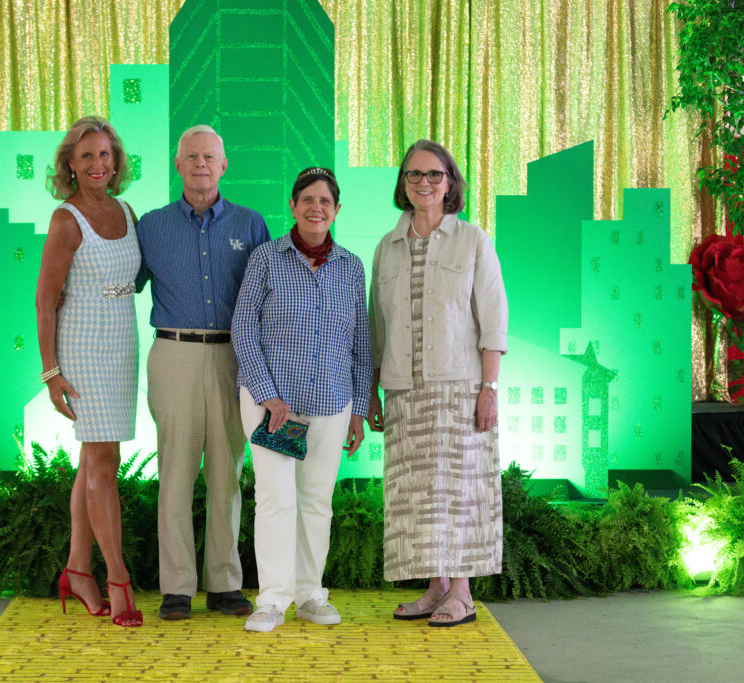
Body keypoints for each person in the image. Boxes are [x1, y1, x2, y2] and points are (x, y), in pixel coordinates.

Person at [367, 139, 508, 627]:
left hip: (459, 388)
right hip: (403, 388)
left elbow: (493, 320)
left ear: (450, 183)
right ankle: (434, 588)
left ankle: (463, 593)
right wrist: (373, 389)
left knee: (459, 490)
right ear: (402, 184)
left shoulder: (472, 240)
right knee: (418, 494)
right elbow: (375, 326)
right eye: (414, 175)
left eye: (434, 174)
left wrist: (488, 389)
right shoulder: (386, 247)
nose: (423, 183)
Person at [137, 125, 270, 620]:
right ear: (177, 165)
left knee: (226, 473)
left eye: (209, 156)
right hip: (173, 353)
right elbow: (120, 283)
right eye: (190, 156)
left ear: (224, 164)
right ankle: (176, 587)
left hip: (234, 357)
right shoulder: (150, 226)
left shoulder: (251, 225)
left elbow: (268, 300)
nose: (200, 164)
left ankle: (224, 583)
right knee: (174, 472)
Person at [232, 167, 372, 633]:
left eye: (325, 201)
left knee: (317, 500)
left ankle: (311, 593)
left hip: (331, 402)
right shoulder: (266, 259)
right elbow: (243, 328)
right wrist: (267, 393)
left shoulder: (351, 266)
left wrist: (357, 408)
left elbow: (361, 341)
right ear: (292, 206)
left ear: (336, 210)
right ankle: (271, 599)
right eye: (307, 199)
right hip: (274, 404)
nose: (316, 208)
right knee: (275, 500)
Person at [35, 115, 143, 627]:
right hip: (81, 349)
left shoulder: (127, 210)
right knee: (103, 464)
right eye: (86, 157)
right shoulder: (65, 219)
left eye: (105, 155)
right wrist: (50, 372)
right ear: (70, 167)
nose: (97, 164)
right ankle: (117, 578)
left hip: (122, 344)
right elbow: (45, 301)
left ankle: (78, 570)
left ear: (115, 161)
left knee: (95, 461)